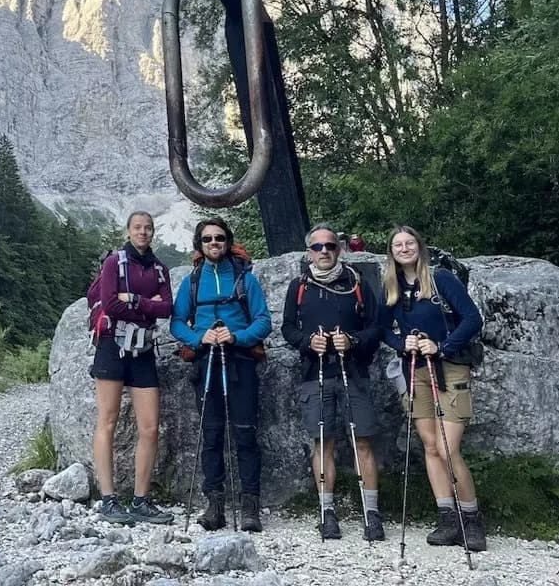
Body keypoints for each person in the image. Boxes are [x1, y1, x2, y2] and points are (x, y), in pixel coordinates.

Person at [379, 225, 487, 551]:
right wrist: (402, 342)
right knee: (429, 445)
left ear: (419, 246)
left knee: (447, 447)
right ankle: (448, 518)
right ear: (391, 252)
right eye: (398, 244)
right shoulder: (391, 285)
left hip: (448, 367)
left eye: (409, 242)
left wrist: (442, 346)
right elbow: (381, 328)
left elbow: (472, 318)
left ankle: (471, 520)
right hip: (416, 369)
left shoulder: (440, 279)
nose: (404, 248)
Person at [281, 223, 384, 541]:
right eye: (317, 247)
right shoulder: (299, 286)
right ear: (308, 252)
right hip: (316, 373)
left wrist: (352, 340)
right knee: (322, 441)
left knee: (362, 441)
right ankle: (327, 512)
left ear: (339, 248)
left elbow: (376, 330)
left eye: (330, 246)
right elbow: (287, 328)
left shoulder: (357, 282)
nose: (324, 251)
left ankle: (372, 513)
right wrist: (307, 342)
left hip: (353, 372)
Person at [170, 217, 272, 532]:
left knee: (245, 434)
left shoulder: (245, 279)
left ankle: (250, 505)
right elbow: (176, 322)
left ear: (227, 242)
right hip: (206, 362)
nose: (214, 243)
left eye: (219, 238)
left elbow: (263, 321)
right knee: (211, 435)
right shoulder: (193, 281)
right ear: (199, 245)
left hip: (239, 359)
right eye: (207, 239)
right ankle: (214, 505)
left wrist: (236, 336)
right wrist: (198, 338)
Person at [90, 210, 175, 524]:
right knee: (107, 421)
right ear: (128, 231)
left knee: (150, 427)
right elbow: (110, 303)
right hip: (112, 345)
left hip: (142, 348)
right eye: (137, 227)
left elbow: (167, 308)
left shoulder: (159, 269)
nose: (143, 232)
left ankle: (141, 500)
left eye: (148, 228)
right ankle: (108, 499)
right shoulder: (115, 262)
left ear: (153, 232)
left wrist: (135, 300)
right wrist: (147, 302)